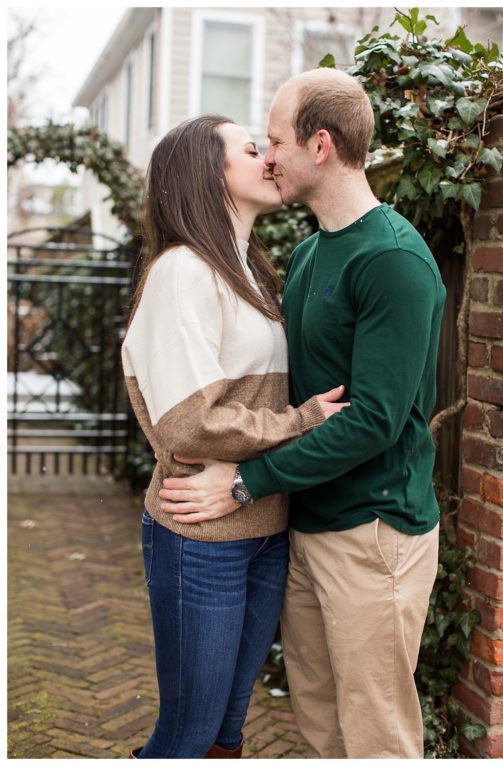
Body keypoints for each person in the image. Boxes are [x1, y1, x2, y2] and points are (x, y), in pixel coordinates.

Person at [156, 68, 446, 759]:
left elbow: (373, 420)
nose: (267, 155)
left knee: (376, 732)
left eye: (276, 141)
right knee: (316, 724)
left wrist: (245, 482)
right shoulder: (313, 251)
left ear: (320, 146)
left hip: (373, 532)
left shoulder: (393, 260)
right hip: (308, 526)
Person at [121, 114, 346, 758]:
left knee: (225, 731)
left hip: (262, 525)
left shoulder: (247, 270)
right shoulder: (183, 272)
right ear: (207, 174)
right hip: (200, 535)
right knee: (188, 735)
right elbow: (192, 425)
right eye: (254, 149)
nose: (270, 159)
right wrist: (302, 421)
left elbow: (231, 411)